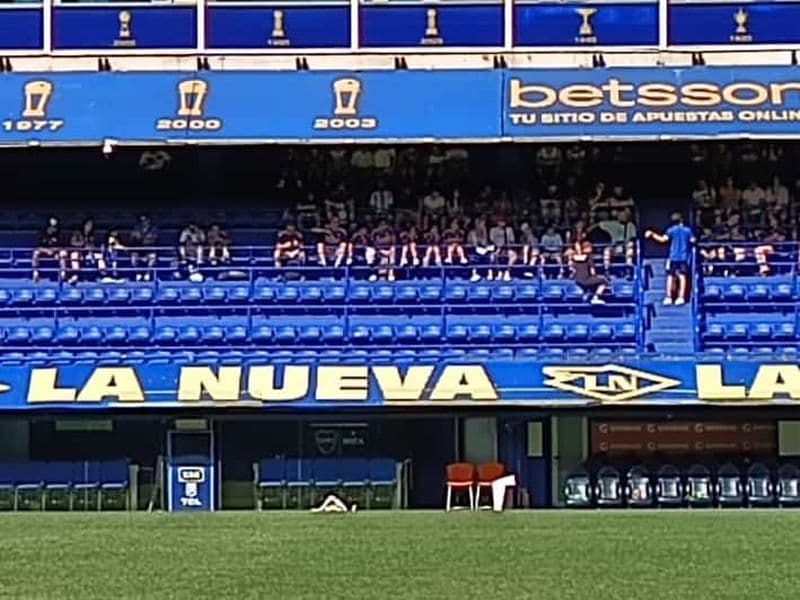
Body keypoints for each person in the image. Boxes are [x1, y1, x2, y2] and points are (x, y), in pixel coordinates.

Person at [645, 213, 695, 306]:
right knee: (682, 276)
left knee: (670, 276)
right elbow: (693, 240)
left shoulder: (671, 230)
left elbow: (662, 239)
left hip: (673, 257)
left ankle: (668, 297)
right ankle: (681, 297)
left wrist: (652, 234)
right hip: (683, 257)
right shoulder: (687, 230)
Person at [571, 240, 608, 304]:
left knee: (592, 281)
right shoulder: (589, 258)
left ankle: (587, 294)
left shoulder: (574, 258)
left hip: (577, 280)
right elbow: (593, 272)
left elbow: (573, 269)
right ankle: (596, 297)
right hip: (586, 279)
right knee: (603, 281)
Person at [32, 217, 65, 282]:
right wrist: (47, 250)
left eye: (54, 227)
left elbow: (61, 246)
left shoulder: (59, 234)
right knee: (35, 253)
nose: (53, 229)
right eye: (51, 227)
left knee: (63, 253)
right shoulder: (42, 233)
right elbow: (38, 247)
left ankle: (63, 272)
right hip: (44, 250)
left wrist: (54, 251)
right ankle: (35, 272)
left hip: (55, 251)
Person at [130, 215, 159, 281]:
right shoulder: (136, 228)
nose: (144, 222)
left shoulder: (153, 229)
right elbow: (133, 237)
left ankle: (147, 274)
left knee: (152, 257)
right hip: (138, 248)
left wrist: (147, 239)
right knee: (133, 257)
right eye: (142, 221)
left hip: (150, 248)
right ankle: (138, 274)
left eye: (145, 220)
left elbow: (155, 238)